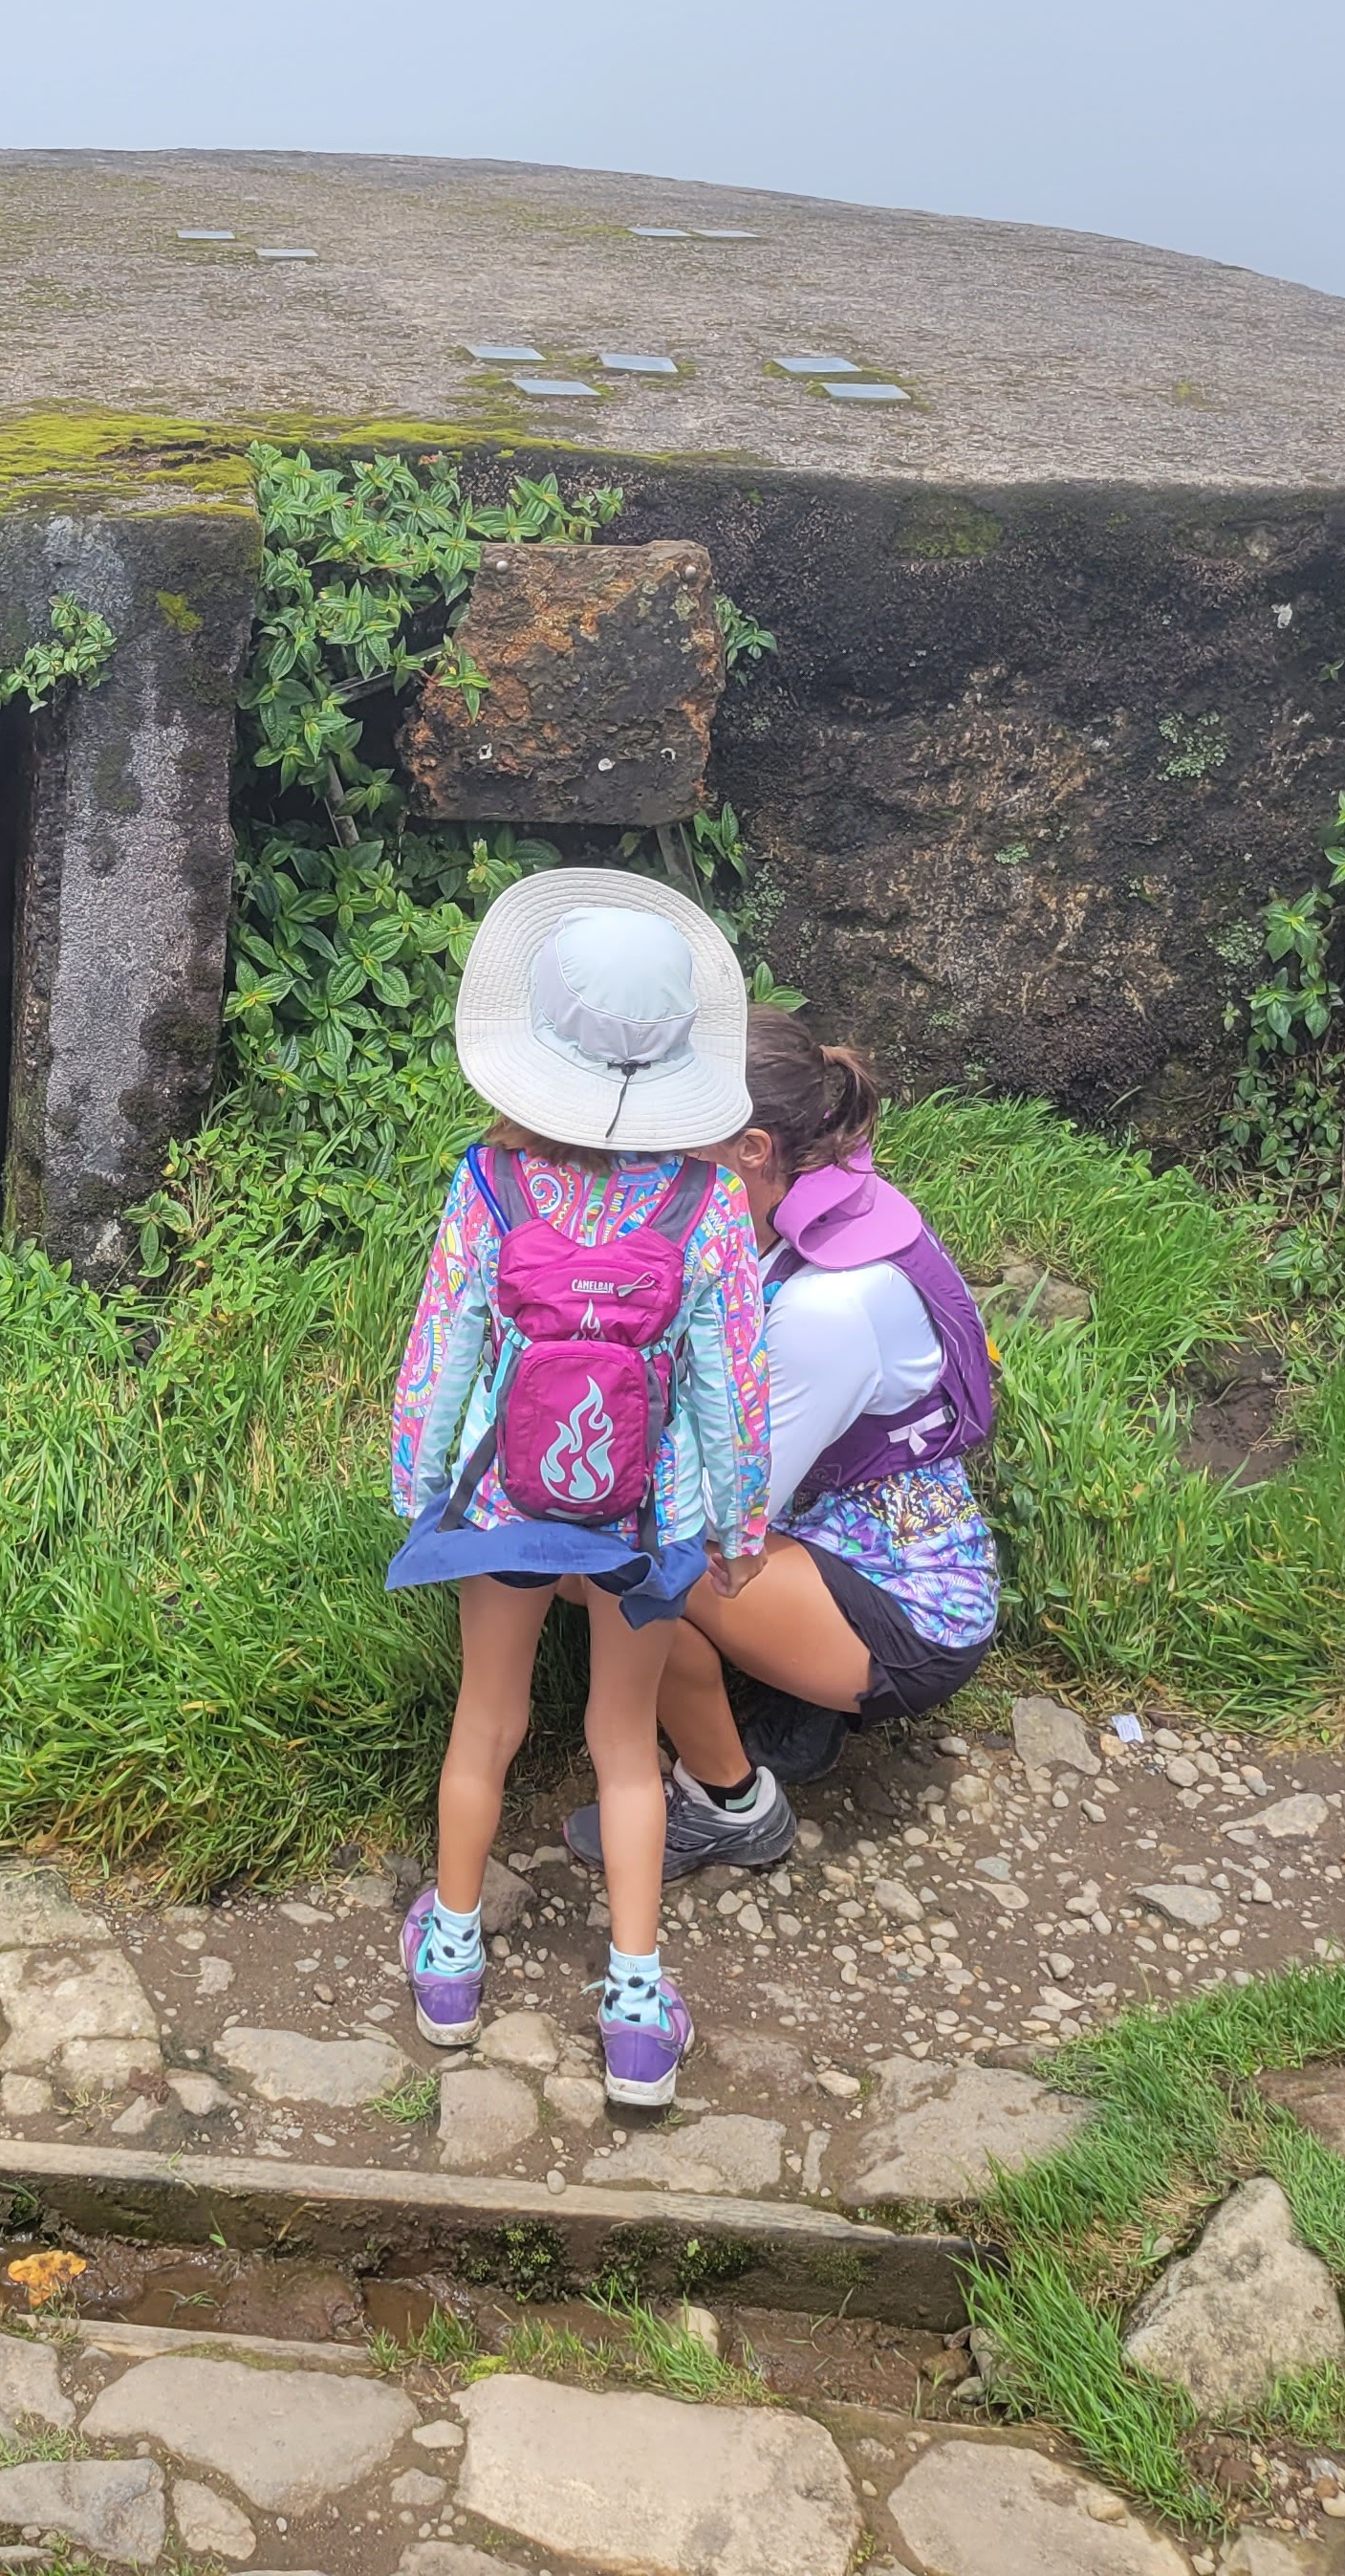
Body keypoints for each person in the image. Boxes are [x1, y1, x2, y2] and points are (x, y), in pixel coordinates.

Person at [387, 870, 769, 2108]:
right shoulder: (707, 1202)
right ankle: (637, 2013)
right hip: (643, 1522)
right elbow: (731, 1381)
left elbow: (443, 1346)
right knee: (620, 1742)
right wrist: (739, 1522)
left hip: (505, 1504)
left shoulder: (491, 1185)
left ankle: (449, 1966)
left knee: (486, 1721)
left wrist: (421, 1490)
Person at [564, 1010, 1002, 1871]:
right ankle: (796, 1708)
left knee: (611, 1568)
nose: (657, 1167)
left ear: (754, 1148)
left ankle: (733, 1804)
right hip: (856, 1540)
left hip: (905, 1618)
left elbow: (728, 1514)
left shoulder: (830, 1305)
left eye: (681, 1144)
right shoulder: (832, 1208)